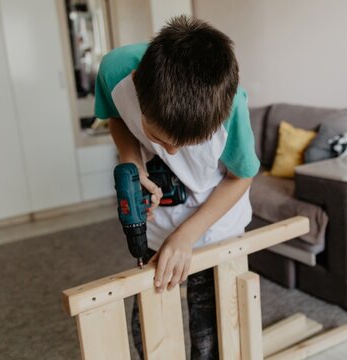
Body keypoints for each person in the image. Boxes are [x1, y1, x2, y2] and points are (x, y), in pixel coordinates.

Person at [94, 15, 260, 360]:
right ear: (138, 85)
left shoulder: (232, 108)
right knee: (151, 327)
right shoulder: (115, 71)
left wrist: (187, 235)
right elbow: (116, 116)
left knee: (210, 332)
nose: (169, 154)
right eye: (158, 139)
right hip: (161, 211)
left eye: (183, 146)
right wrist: (134, 163)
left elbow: (241, 176)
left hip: (216, 217)